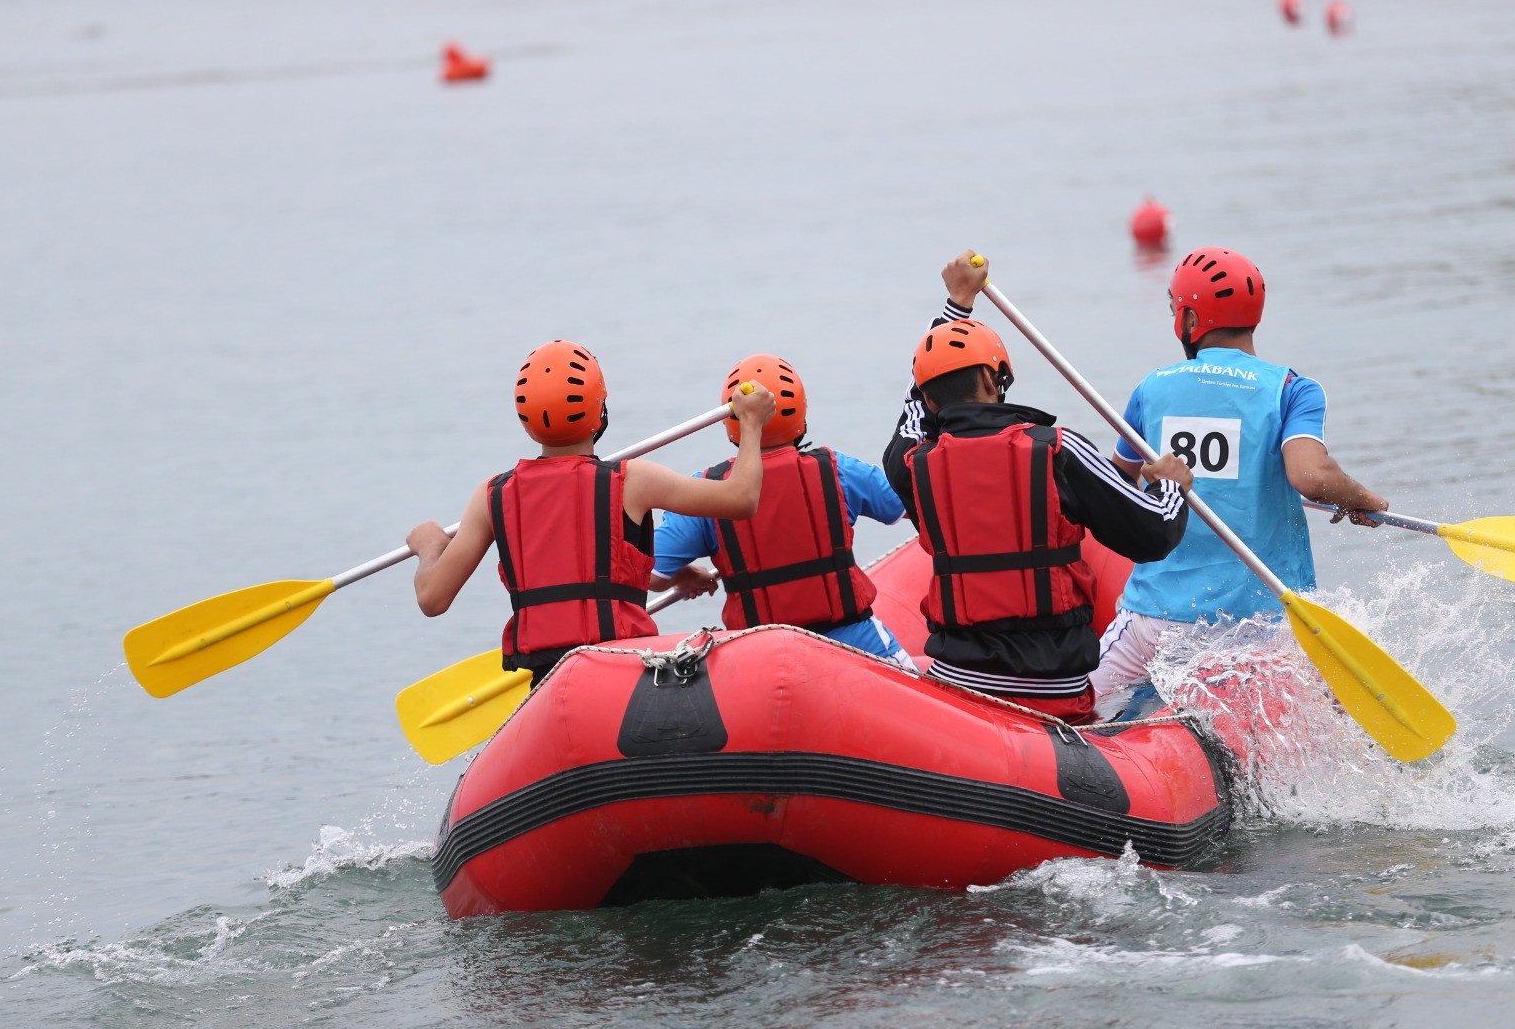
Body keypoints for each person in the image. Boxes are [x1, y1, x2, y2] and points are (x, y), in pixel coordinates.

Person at [883, 252, 1194, 722]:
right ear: (994, 377)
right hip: (1054, 694)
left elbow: (913, 403)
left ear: (929, 396)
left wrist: (956, 305)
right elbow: (1154, 534)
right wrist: (1170, 487)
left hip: (959, 692)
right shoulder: (1058, 451)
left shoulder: (909, 465)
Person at [1088, 246, 1389, 697]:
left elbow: (1113, 489)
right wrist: (1359, 496)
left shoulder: (1152, 388)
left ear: (1189, 320)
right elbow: (1309, 476)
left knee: (1076, 708)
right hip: (1262, 627)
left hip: (1155, 621)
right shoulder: (1293, 390)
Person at [405, 340, 776, 680]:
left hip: (549, 680)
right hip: (624, 671)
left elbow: (432, 598)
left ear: (525, 420)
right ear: (599, 411)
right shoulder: (633, 480)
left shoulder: (493, 495)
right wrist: (751, 423)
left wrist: (431, 548)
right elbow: (741, 498)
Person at [649, 354, 915, 667]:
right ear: (801, 413)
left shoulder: (707, 489)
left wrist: (682, 573)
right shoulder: (838, 469)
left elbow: (653, 575)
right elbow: (911, 506)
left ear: (729, 420)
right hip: (858, 644)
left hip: (763, 659)